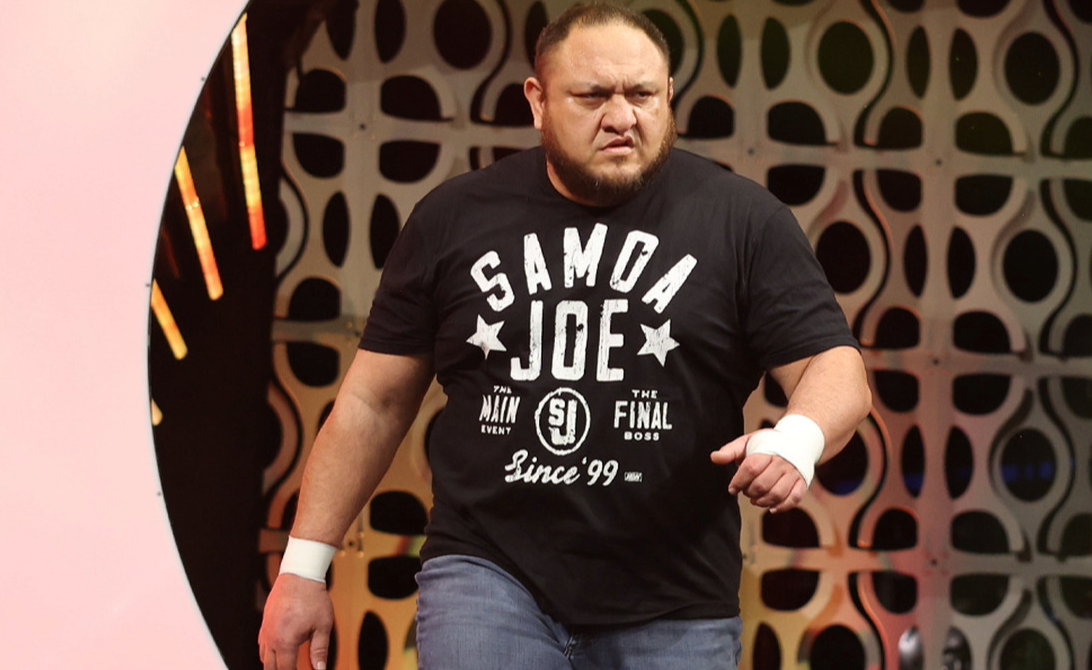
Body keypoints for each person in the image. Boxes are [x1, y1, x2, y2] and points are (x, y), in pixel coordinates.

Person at [258, 2, 872, 669]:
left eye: (643, 95)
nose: (622, 117)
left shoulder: (743, 222)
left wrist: (798, 439)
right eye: (593, 96)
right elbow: (373, 403)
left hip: (675, 599)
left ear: (669, 95)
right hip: (489, 576)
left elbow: (835, 369)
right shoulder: (454, 218)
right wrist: (303, 569)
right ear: (538, 100)